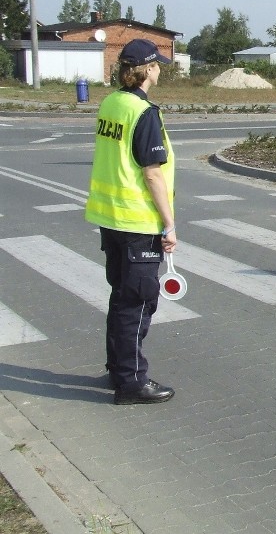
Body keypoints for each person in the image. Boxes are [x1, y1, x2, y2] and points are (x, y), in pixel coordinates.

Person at [84, 39, 177, 405]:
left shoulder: (111, 103)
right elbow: (152, 173)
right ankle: (132, 382)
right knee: (137, 302)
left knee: (121, 298)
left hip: (111, 219)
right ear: (148, 69)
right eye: (158, 66)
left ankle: (117, 368)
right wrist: (169, 225)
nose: (160, 71)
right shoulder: (144, 112)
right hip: (138, 222)